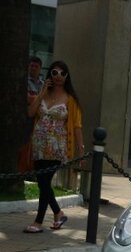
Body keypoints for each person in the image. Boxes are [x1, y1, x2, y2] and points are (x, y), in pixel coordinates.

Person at [23, 60, 84, 234]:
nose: (58, 77)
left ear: (67, 77)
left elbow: (77, 125)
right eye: (55, 72)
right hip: (39, 145)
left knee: (44, 182)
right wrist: (42, 93)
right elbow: (30, 113)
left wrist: (80, 146)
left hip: (57, 147)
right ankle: (58, 213)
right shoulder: (43, 93)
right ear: (50, 74)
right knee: (43, 182)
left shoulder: (71, 100)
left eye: (63, 73)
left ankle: (38, 221)